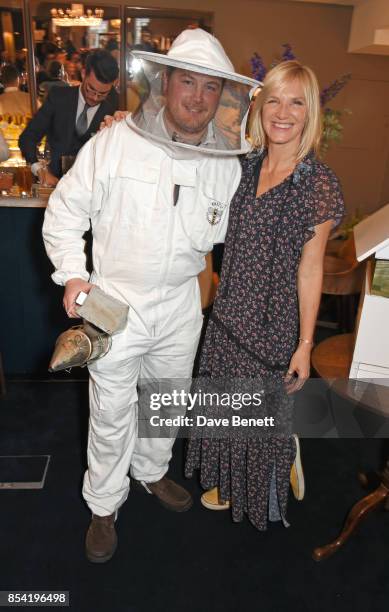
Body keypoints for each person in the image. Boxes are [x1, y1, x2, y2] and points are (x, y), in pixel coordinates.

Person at [42, 28, 259, 563]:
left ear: (222, 95)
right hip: (115, 303)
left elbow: (232, 239)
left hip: (182, 303)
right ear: (165, 82)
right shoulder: (115, 142)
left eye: (211, 88)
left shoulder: (225, 165)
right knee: (113, 410)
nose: (198, 98)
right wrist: (73, 274)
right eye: (188, 82)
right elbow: (65, 211)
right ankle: (103, 503)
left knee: (166, 400)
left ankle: (151, 472)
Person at [185, 60, 345, 530]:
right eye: (273, 98)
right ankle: (232, 477)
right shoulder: (242, 165)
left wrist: (306, 343)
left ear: (310, 111)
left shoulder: (318, 183)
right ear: (260, 106)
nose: (283, 111)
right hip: (228, 313)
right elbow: (189, 142)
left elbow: (311, 269)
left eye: (296, 101)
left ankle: (266, 486)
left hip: (274, 327)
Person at [19, 49, 119, 187]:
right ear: (83, 74)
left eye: (102, 94)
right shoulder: (58, 97)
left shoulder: (114, 107)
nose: (95, 97)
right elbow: (27, 137)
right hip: (55, 185)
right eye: (91, 89)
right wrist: (40, 170)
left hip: (93, 191)